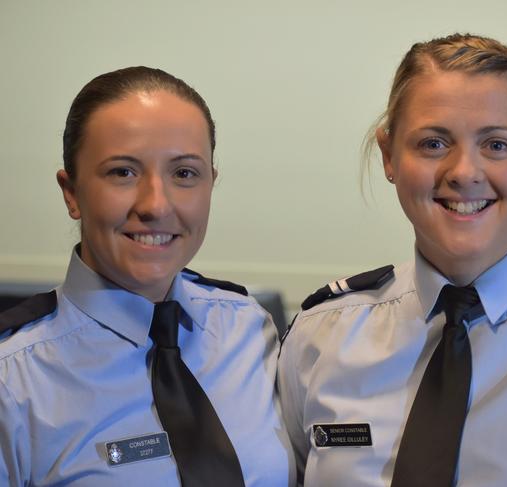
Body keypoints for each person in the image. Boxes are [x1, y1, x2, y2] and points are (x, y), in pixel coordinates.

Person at [278, 34, 507, 486]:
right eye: (433, 143)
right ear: (389, 154)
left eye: (496, 145)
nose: (463, 172)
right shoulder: (321, 335)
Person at [0, 67, 295, 486]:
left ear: (211, 184)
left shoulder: (249, 331)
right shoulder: (12, 380)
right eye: (123, 172)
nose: (156, 204)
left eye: (184, 173)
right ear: (71, 192)